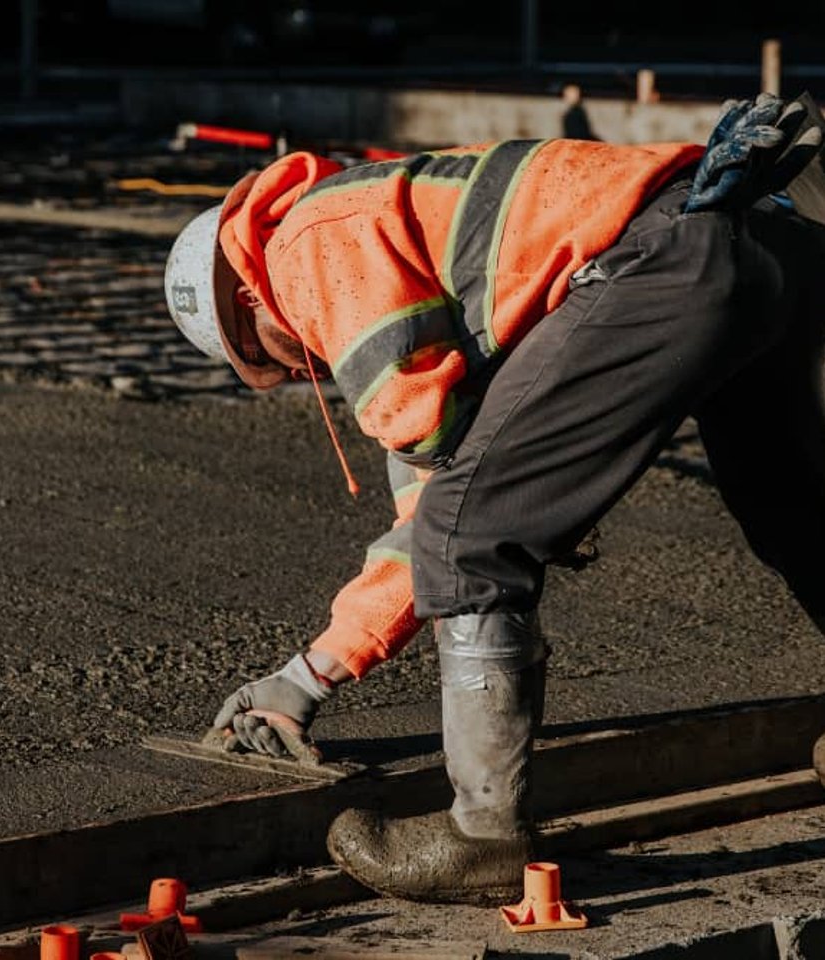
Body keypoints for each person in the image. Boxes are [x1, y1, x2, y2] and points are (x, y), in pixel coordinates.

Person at [163, 92, 825, 906]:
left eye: (269, 357)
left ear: (249, 300)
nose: (300, 371)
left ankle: (483, 836)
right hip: (767, 238)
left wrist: (308, 675)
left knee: (470, 537)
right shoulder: (384, 219)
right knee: (792, 505)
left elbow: (443, 511)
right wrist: (309, 677)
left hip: (667, 254)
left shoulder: (310, 252)